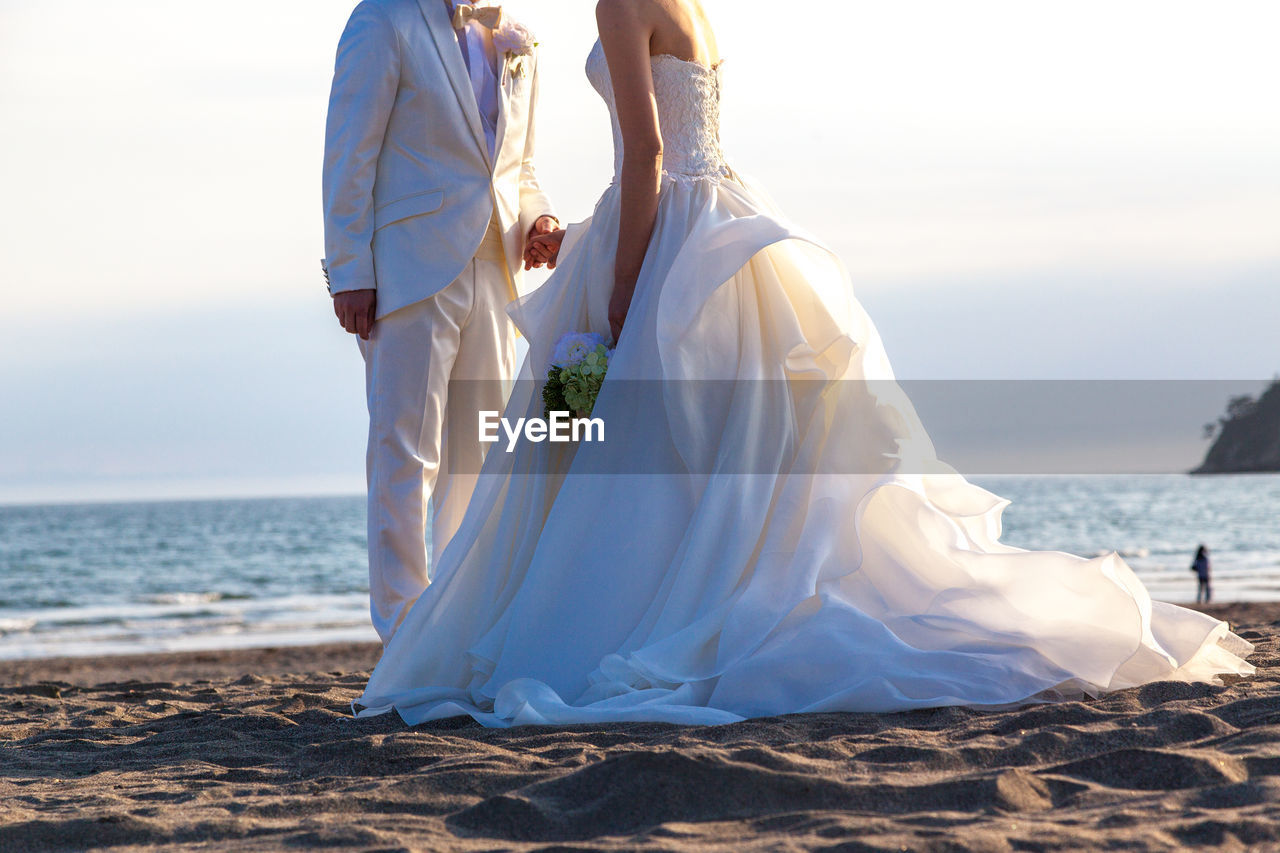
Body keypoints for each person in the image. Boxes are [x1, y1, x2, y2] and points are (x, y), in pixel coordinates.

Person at [353, 0, 1255, 727]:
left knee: (569, 428)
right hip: (715, 218)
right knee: (629, 436)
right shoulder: (692, 6)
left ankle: (552, 613)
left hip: (658, 232)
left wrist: (622, 291)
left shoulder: (617, 5)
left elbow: (649, 154)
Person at [322, 0, 560, 644]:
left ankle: (460, 624)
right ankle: (404, 630)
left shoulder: (516, 41)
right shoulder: (383, 20)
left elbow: (518, 168)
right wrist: (350, 271)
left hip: (497, 271)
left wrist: (537, 220)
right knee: (405, 455)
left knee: (481, 459)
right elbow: (350, 154)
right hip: (409, 271)